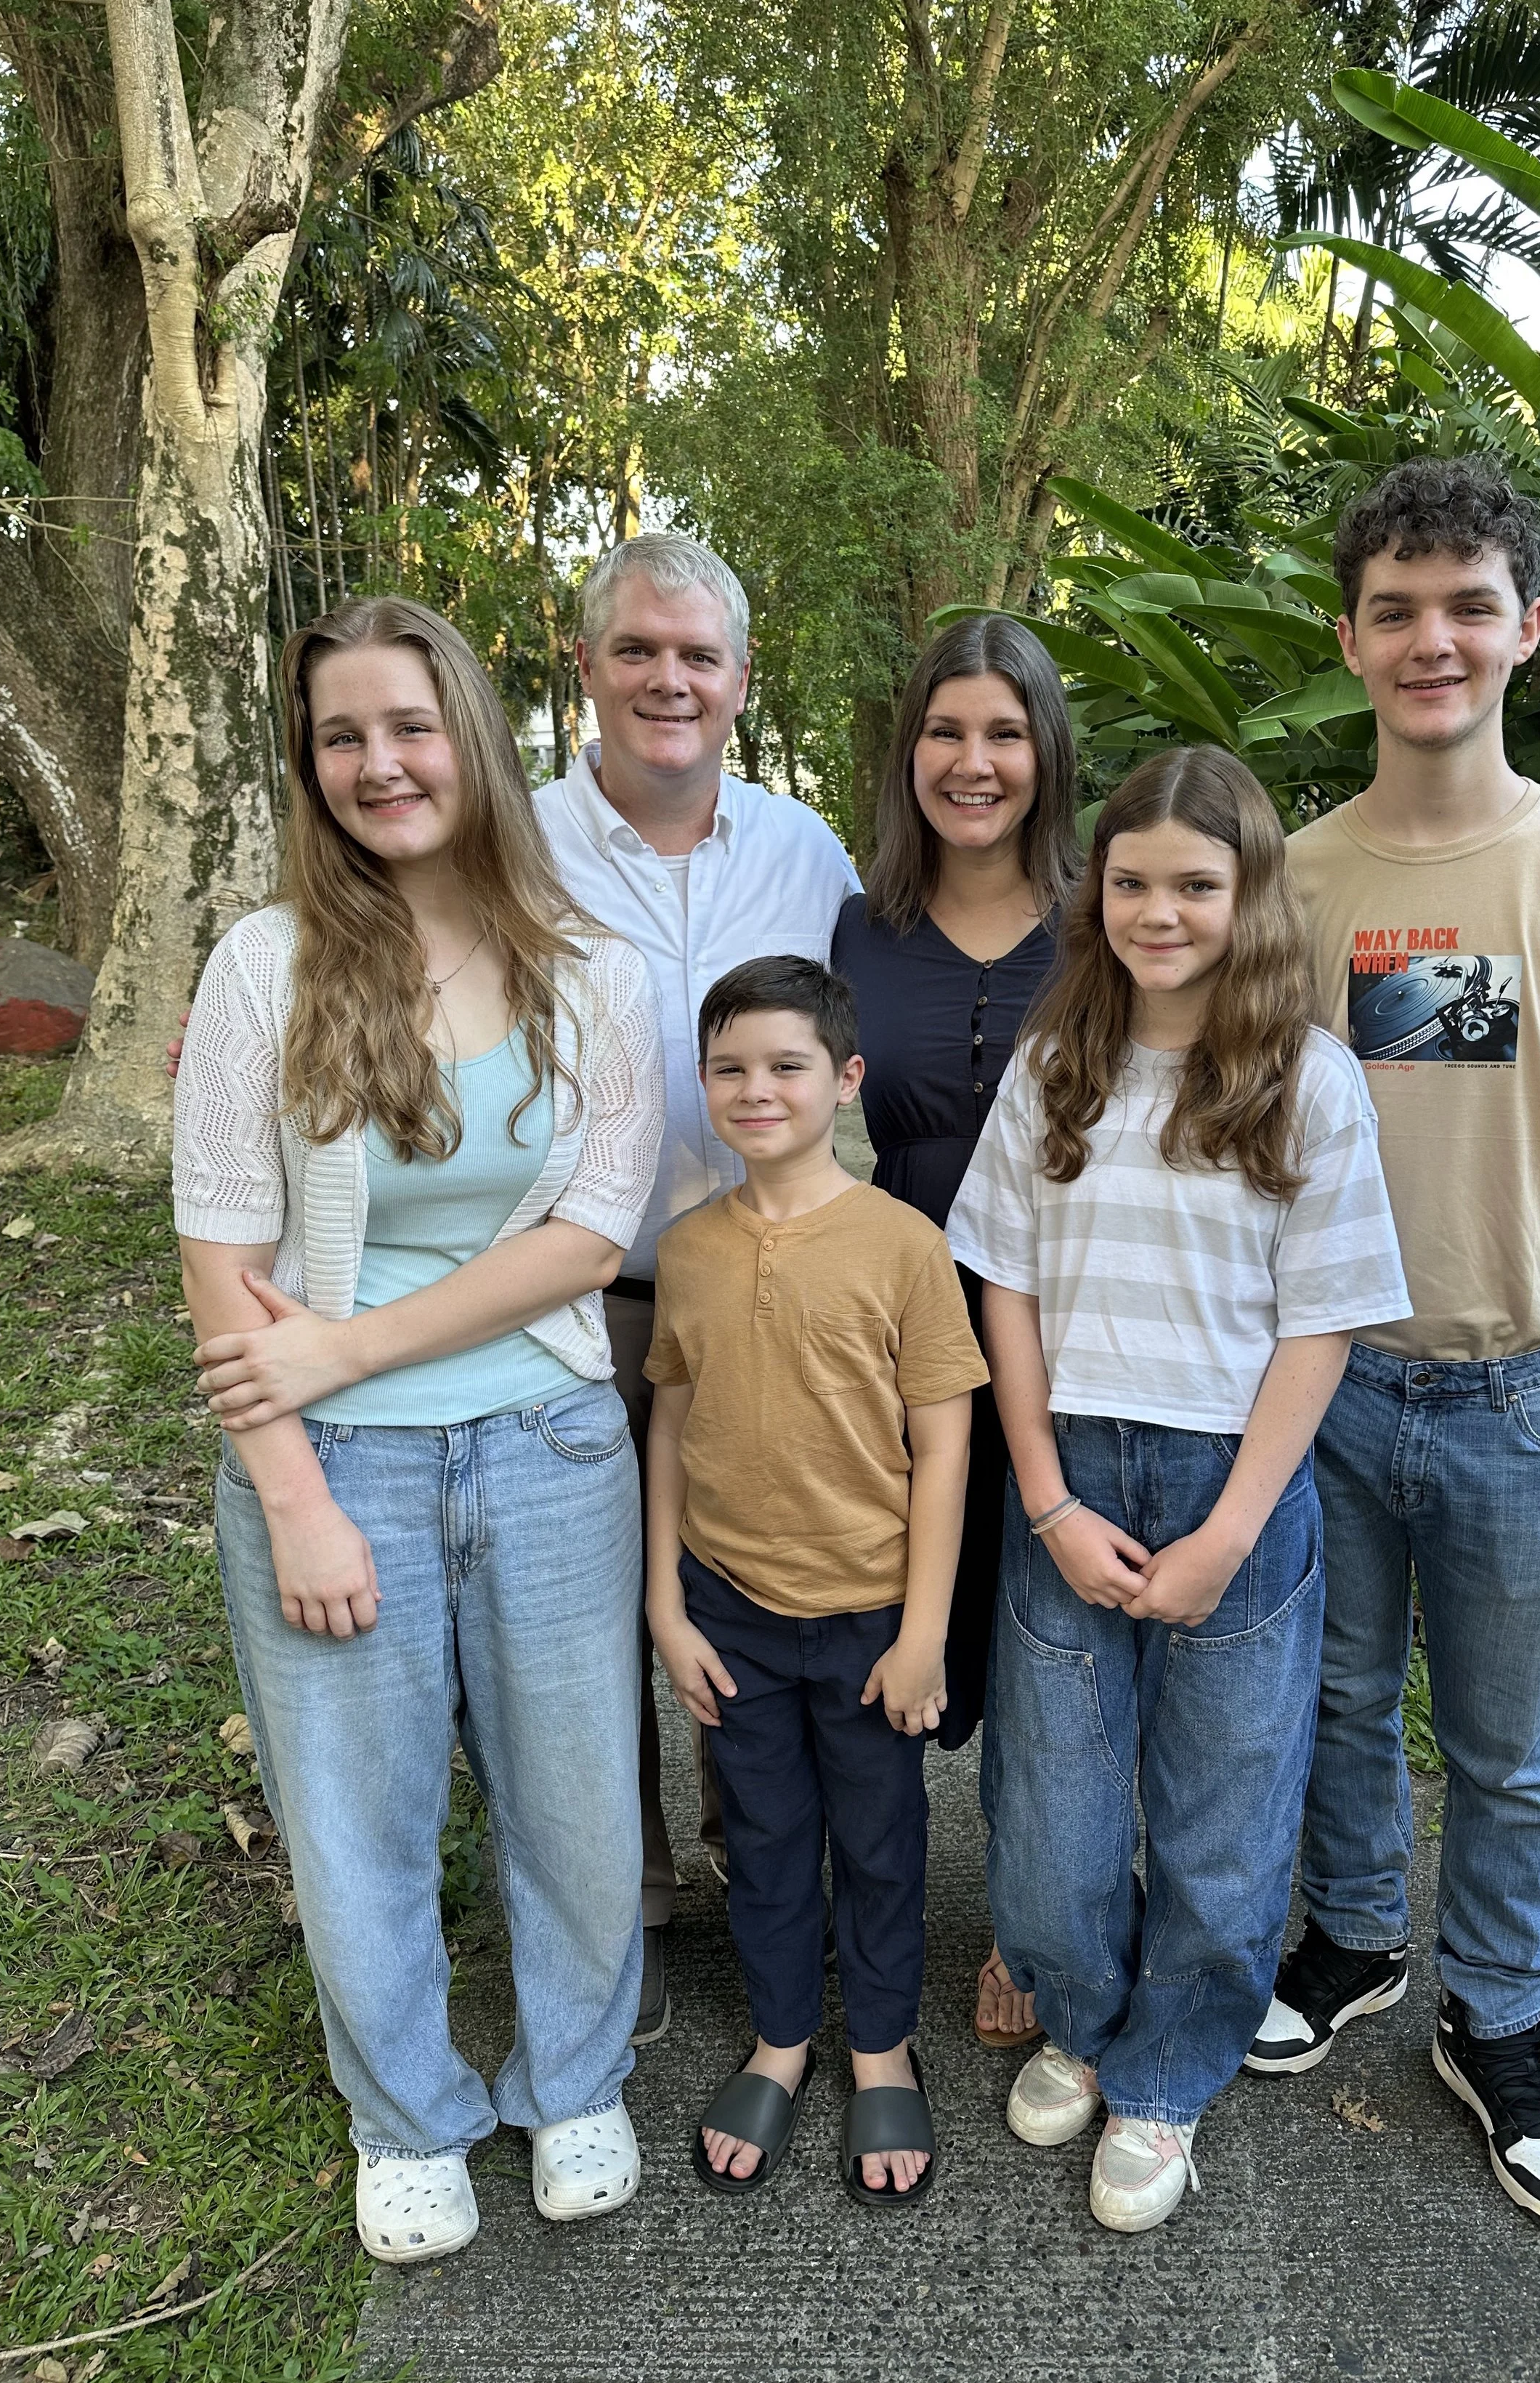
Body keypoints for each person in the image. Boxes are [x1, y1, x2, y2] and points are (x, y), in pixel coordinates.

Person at [1247, 456, 1540, 2232]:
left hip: (1521, 1387)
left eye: (1462, 605)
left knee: (1508, 1745)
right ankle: (1354, 1938)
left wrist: (1524, 1242)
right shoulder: (1289, 881)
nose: (1426, 639)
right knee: (1342, 1696)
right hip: (1336, 1381)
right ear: (1348, 638)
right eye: (1391, 608)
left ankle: (1496, 2016)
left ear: (1522, 628)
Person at [173, 597, 665, 2264]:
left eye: (407, 725)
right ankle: (406, 2115)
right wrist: (298, 1495)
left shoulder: (589, 970)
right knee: (354, 1807)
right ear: (308, 767)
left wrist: (352, 1345)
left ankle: (576, 2078)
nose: (378, 762)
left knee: (579, 1797)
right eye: (339, 737)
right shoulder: (266, 968)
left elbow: (589, 1242)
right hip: (340, 1470)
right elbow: (227, 1267)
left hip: (550, 1447)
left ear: (473, 735)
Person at [947, 746, 1411, 2234]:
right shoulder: (1052, 1066)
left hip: (1234, 1479)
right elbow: (1002, 1286)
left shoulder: (1303, 1079)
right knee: (1059, 1802)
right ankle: (1081, 2022)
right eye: (1130, 881)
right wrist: (1043, 1498)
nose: (1158, 911)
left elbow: (1319, 1321)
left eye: (1194, 885)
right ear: (1096, 894)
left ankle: (1167, 2071)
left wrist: (1226, 1531)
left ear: (1246, 895)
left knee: (1220, 1803)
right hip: (1069, 1466)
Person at [535, 535, 862, 2043]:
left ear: (739, 679)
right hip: (562, 1286)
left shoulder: (808, 853)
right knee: (584, 1604)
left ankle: (757, 1851)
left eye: (699, 654)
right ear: (585, 663)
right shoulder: (508, 842)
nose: (670, 678)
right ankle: (624, 1880)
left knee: (742, 1571)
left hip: (757, 1286)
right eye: (639, 649)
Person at [642, 956, 987, 2201]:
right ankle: (783, 2038)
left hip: (870, 1617)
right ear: (705, 1084)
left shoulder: (904, 1247)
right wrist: (666, 1606)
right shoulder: (688, 1250)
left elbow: (945, 1444)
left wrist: (925, 1634)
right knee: (769, 1839)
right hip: (731, 1609)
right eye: (730, 1069)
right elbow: (672, 1427)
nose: (757, 1090)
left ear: (844, 1078)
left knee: (884, 1841)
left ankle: (881, 2045)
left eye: (787, 1066)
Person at [831, 612, 1080, 2051]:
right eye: (943, 730)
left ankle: (1030, 1923)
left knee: (1043, 1625)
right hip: (899, 1320)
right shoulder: (861, 922)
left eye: (1000, 731)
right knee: (898, 1609)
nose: (970, 761)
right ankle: (858, 1894)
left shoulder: (1103, 914)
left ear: (1043, 749)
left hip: (1066, 1319)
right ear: (907, 749)